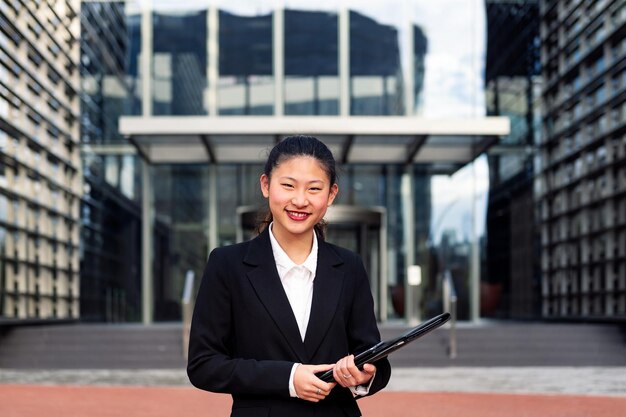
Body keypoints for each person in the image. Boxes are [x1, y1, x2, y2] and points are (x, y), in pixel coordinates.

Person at [187, 135, 391, 417]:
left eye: (314, 189)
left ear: (331, 195)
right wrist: (288, 378)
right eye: (288, 185)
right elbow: (203, 364)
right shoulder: (227, 264)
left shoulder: (349, 266)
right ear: (266, 185)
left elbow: (375, 360)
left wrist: (363, 377)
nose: (300, 200)